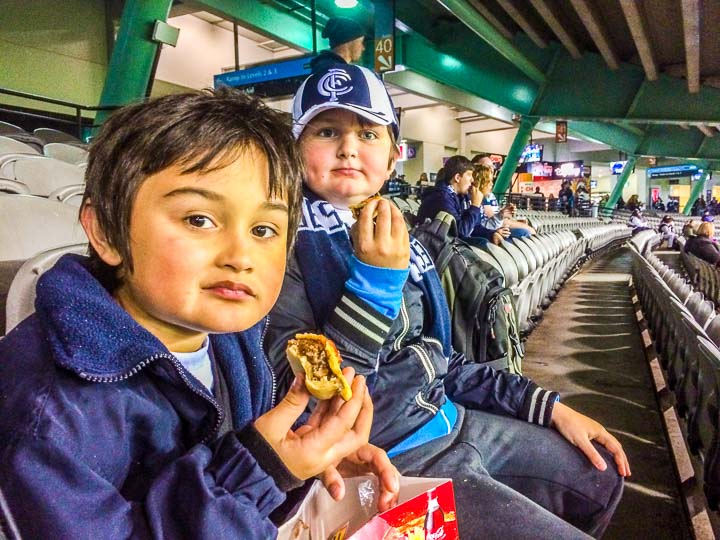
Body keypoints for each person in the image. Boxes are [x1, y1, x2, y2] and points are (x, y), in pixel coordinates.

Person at [0, 89, 400, 539]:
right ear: (106, 231)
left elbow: (231, 474)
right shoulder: (51, 415)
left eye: (264, 229)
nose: (240, 255)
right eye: (199, 220)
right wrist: (265, 471)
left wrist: (298, 465)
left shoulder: (233, 339)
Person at [266, 63, 629, 539]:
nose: (349, 148)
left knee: (600, 476)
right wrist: (373, 285)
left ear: (394, 155)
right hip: (384, 461)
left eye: (369, 133)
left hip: (451, 418)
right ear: (296, 150)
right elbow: (301, 399)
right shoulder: (279, 242)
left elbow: (440, 359)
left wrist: (547, 405)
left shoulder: (404, 238)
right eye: (327, 130)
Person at [416, 155, 508, 245]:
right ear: (457, 178)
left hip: (448, 244)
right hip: (435, 247)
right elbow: (461, 232)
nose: (472, 180)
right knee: (483, 243)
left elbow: (474, 227)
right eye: (469, 175)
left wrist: (491, 234)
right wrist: (475, 206)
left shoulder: (459, 196)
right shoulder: (441, 198)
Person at [473, 158, 536, 238]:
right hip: (490, 231)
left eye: (492, 167)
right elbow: (490, 222)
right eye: (487, 168)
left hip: (494, 228)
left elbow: (495, 221)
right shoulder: (477, 196)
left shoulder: (487, 195)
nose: (491, 170)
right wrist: (493, 233)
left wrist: (507, 215)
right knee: (524, 232)